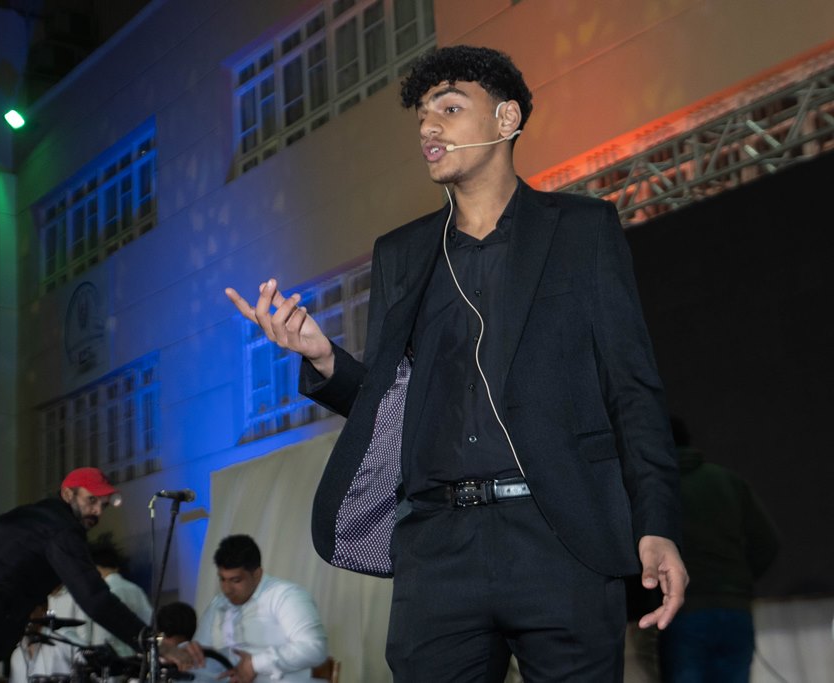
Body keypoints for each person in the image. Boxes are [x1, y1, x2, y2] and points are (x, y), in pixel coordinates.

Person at [225, 44, 688, 682]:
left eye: (448, 108)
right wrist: (325, 357)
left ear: (505, 119)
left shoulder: (582, 230)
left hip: (560, 538)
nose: (428, 127)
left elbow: (631, 389)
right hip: (438, 549)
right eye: (421, 115)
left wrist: (657, 523)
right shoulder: (402, 253)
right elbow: (394, 405)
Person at [0, 467, 198, 683]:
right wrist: (153, 644)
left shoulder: (14, 518)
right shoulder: (62, 529)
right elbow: (95, 600)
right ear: (67, 494)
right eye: (91, 500)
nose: (97, 512)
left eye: (103, 504)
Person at [657, 417, 780, 682]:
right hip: (735, 608)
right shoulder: (727, 480)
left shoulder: (656, 492)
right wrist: (737, 581)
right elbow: (767, 542)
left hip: (682, 610)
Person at [188, 535, 326, 683]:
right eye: (222, 579)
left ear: (257, 574)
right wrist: (186, 653)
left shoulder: (286, 596)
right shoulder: (218, 604)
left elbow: (314, 648)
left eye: (236, 580)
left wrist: (255, 664)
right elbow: (201, 655)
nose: (227, 589)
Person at [7, 603, 73, 683]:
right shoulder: (17, 655)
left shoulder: (62, 641)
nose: (25, 616)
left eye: (29, 610)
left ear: (43, 610)